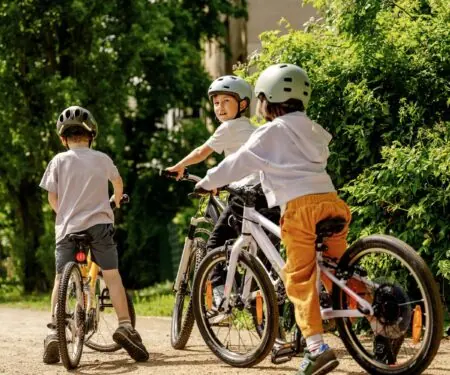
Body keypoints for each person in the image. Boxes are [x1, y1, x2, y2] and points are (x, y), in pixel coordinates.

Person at [194, 64, 351, 375]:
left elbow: (240, 161)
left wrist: (209, 181)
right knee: (339, 270)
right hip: (331, 202)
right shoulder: (312, 127)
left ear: (266, 99)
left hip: (300, 208)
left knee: (299, 277)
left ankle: (318, 348)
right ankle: (380, 320)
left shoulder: (271, 131)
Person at [40, 106, 149, 364]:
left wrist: (64, 213)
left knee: (59, 278)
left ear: (63, 139)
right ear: (91, 136)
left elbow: (51, 197)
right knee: (111, 276)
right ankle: (125, 325)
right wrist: (117, 200)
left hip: (67, 229)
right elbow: (118, 183)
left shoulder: (57, 161)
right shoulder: (102, 159)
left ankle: (56, 331)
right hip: (100, 226)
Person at [166, 76, 278, 304]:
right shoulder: (253, 129)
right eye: (216, 103)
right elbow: (241, 162)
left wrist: (179, 167)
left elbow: (202, 152)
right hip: (268, 193)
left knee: (215, 243)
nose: (220, 108)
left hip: (246, 195)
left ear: (243, 104)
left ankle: (220, 295)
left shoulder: (228, 128)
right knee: (263, 255)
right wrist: (221, 183)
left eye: (227, 101)